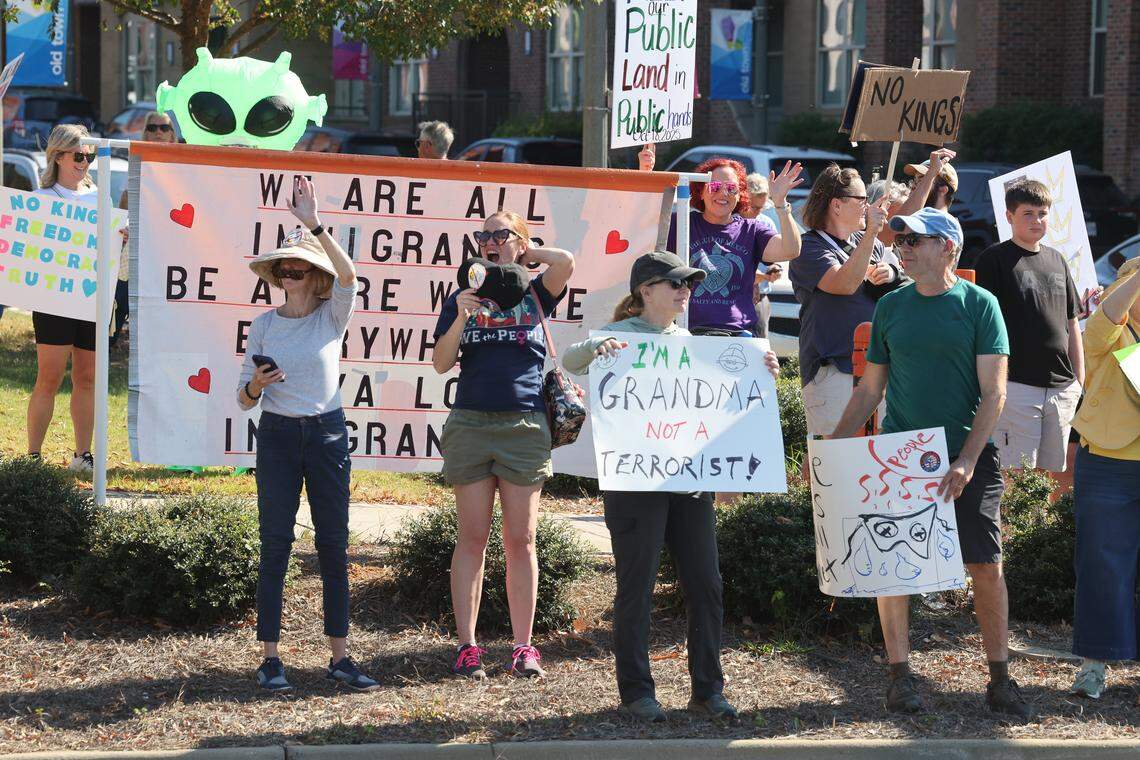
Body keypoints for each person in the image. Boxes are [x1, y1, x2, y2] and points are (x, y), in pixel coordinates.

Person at [829, 207, 1034, 720]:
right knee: (892, 570)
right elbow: (871, 388)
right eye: (900, 241)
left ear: (948, 247)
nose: (902, 248)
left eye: (915, 240)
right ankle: (900, 679)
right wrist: (833, 445)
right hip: (900, 455)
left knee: (985, 565)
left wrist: (965, 461)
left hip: (967, 455)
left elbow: (995, 394)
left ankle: (1000, 678)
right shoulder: (891, 307)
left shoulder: (980, 305)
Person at [562, 251, 780, 723]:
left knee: (706, 583)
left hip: (689, 480)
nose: (685, 291)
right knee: (635, 586)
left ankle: (708, 689)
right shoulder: (620, 336)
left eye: (689, 284)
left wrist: (762, 373)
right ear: (645, 291)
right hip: (634, 480)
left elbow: (723, 399)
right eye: (675, 283)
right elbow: (571, 359)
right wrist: (597, 349)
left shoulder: (687, 340)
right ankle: (637, 693)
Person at [238, 176, 376, 693]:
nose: (291, 273)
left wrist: (313, 224)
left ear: (315, 277)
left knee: (334, 546)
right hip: (275, 435)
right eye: (284, 268)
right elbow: (242, 399)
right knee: (274, 543)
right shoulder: (263, 324)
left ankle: (340, 658)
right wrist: (255, 383)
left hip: (326, 435)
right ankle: (270, 658)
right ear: (275, 276)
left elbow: (351, 274)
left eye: (300, 268)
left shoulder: (332, 317)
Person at [432, 211, 575, 680]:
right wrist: (462, 314)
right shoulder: (460, 296)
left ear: (517, 241)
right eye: (484, 235)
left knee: (522, 541)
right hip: (471, 423)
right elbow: (440, 362)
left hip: (524, 427)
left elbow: (567, 262)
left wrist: (528, 254)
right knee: (472, 539)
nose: (490, 241)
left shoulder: (536, 294)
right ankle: (468, 647)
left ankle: (522, 647)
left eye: (501, 234)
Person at [974, 180, 1083, 473]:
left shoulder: (1057, 259)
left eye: (1043, 213)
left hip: (1062, 388)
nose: (1037, 220)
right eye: (1028, 213)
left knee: (1050, 479)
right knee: (1015, 478)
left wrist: (1079, 380)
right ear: (1009, 216)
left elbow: (1071, 320)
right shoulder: (993, 259)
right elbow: (982, 325)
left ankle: (1043, 523)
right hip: (1016, 385)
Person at [1068, 256, 1140, 700]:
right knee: (1101, 568)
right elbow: (1105, 319)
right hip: (1108, 464)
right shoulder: (1106, 335)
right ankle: (1094, 665)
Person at [789, 164, 904, 438]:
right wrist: (872, 234)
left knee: (874, 461)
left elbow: (904, 283)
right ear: (837, 205)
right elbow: (844, 283)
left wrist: (893, 272)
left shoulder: (866, 243)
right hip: (833, 370)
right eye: (861, 199)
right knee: (834, 462)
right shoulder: (808, 247)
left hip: (874, 369)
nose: (867, 205)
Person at [26, 124, 98, 473]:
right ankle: (33, 457)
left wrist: (120, 239)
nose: (84, 162)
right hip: (53, 301)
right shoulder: (40, 200)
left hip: (91, 300)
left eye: (90, 155)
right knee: (49, 378)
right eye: (78, 155)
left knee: (86, 378)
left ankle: (83, 455)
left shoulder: (99, 197)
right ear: (57, 156)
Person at [665, 158, 803, 337]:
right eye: (714, 187)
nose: (723, 193)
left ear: (740, 194)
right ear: (700, 192)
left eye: (731, 188)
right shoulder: (680, 223)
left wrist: (781, 204)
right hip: (685, 333)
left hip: (738, 336)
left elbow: (791, 250)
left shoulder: (752, 230)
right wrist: (644, 171)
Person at [113, 112, 177, 348]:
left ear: (172, 135)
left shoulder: (184, 168)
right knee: (119, 300)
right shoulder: (136, 165)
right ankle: (104, 352)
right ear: (145, 133)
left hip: (170, 254)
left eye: (164, 127)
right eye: (152, 127)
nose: (158, 132)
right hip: (136, 252)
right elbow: (125, 207)